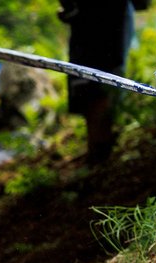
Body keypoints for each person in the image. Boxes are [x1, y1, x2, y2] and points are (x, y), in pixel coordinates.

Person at [58, 0, 148, 165]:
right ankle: (96, 152)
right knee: (87, 85)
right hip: (86, 24)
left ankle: (101, 153)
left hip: (108, 21)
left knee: (104, 85)